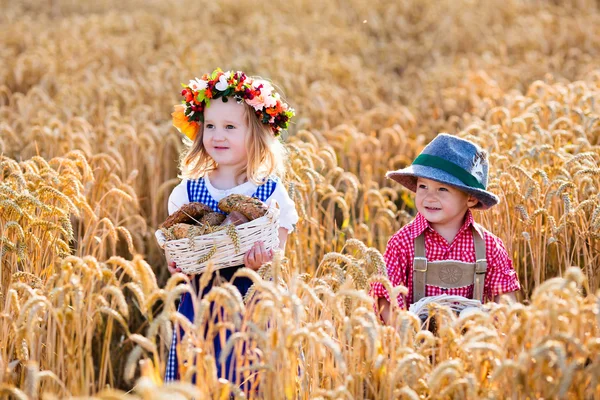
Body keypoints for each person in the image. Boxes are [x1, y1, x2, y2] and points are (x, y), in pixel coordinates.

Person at [154, 68, 298, 384]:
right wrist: (176, 261)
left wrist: (264, 260)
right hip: (201, 304)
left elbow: (278, 254)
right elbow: (173, 251)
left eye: (230, 127)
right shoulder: (188, 193)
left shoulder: (271, 193)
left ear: (257, 133)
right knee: (200, 378)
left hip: (252, 306)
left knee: (250, 378)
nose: (218, 135)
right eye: (210, 126)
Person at [370, 133, 520, 325]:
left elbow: (505, 299)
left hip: (468, 345)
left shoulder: (489, 246)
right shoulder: (402, 242)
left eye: (442, 189)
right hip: (415, 343)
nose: (429, 197)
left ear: (470, 198)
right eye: (423, 186)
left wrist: (501, 331)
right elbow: (384, 295)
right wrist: (404, 334)